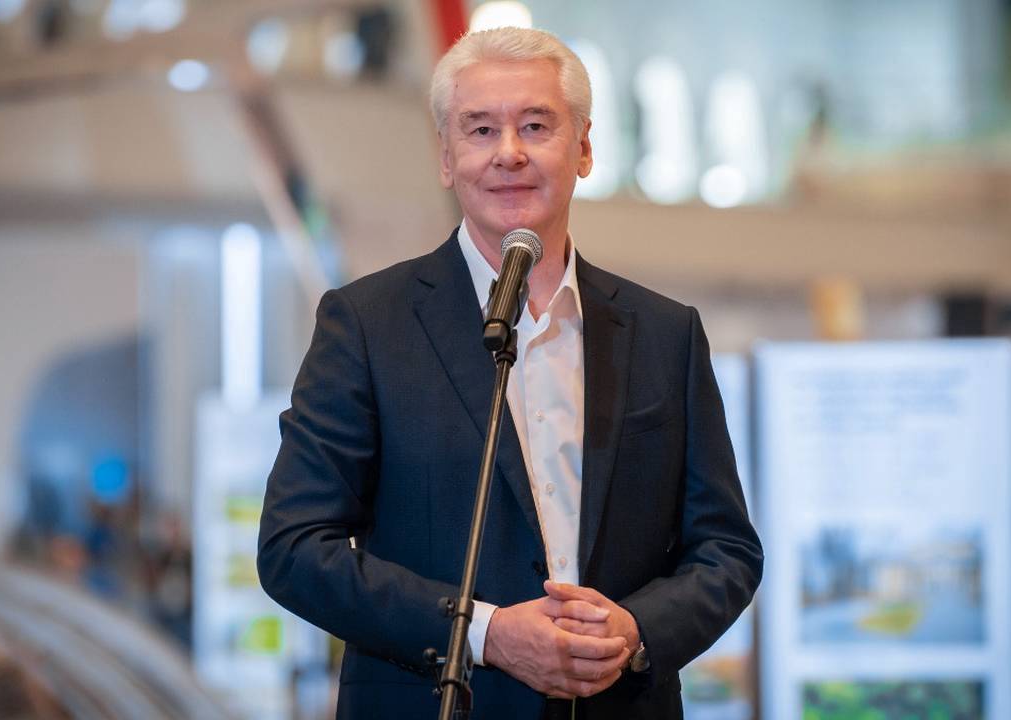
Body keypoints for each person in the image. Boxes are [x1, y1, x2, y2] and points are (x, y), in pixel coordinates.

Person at [258, 26, 762, 719]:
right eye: (480, 130)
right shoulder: (367, 325)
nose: (509, 153)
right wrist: (485, 635)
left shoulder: (665, 334)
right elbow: (293, 548)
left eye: (535, 125)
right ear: (446, 157)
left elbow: (726, 549)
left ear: (584, 148)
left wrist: (637, 630)